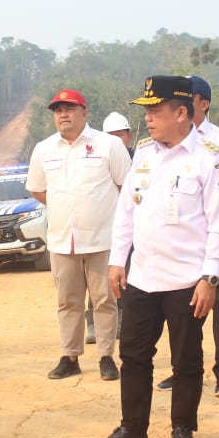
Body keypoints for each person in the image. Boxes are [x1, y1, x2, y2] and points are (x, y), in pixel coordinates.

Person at [88, 75, 219, 438]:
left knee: (186, 359)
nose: (148, 118)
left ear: (181, 113)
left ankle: (182, 429)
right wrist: (118, 259)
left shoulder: (208, 156)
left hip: (187, 280)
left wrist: (210, 277)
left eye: (156, 110)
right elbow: (127, 211)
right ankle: (133, 429)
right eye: (146, 111)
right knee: (134, 355)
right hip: (142, 278)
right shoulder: (144, 155)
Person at [26, 88, 131, 381]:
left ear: (84, 113)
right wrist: (65, 207)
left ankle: (106, 357)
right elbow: (36, 188)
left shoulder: (109, 145)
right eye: (58, 110)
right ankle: (70, 356)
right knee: (68, 302)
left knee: (105, 301)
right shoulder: (43, 149)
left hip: (102, 240)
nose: (63, 114)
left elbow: (128, 187)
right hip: (61, 241)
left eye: (70, 109)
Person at [156, 76, 219, 397]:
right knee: (180, 309)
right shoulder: (165, 143)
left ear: (203, 104)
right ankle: (181, 370)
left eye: (188, 98)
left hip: (217, 244)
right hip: (181, 244)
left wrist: (213, 224)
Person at [84, 111, 135, 344]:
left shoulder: (142, 159)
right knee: (98, 280)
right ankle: (93, 324)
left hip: (132, 229)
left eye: (120, 135)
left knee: (126, 278)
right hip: (103, 229)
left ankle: (123, 322)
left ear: (129, 136)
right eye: (111, 135)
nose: (116, 139)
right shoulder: (96, 158)